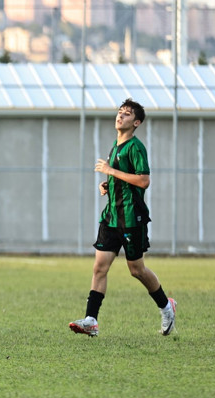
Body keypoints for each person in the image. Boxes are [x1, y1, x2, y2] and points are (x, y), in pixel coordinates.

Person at [68, 98, 176, 337]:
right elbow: (124, 178)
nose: (121, 116)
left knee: (136, 270)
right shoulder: (115, 146)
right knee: (99, 268)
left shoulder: (136, 147)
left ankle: (167, 307)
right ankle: (91, 320)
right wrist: (108, 184)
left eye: (127, 114)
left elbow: (144, 180)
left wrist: (111, 171)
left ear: (136, 122)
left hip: (131, 217)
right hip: (111, 217)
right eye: (120, 112)